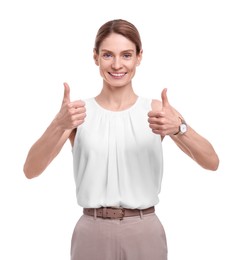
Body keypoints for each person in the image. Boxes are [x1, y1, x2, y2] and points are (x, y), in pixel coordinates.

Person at [23, 19, 219, 260]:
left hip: (144, 229)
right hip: (91, 232)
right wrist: (58, 124)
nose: (117, 65)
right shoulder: (77, 114)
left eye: (126, 55)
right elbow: (30, 170)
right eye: (107, 55)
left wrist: (179, 128)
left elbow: (212, 162)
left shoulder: (157, 110)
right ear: (95, 57)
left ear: (139, 57)